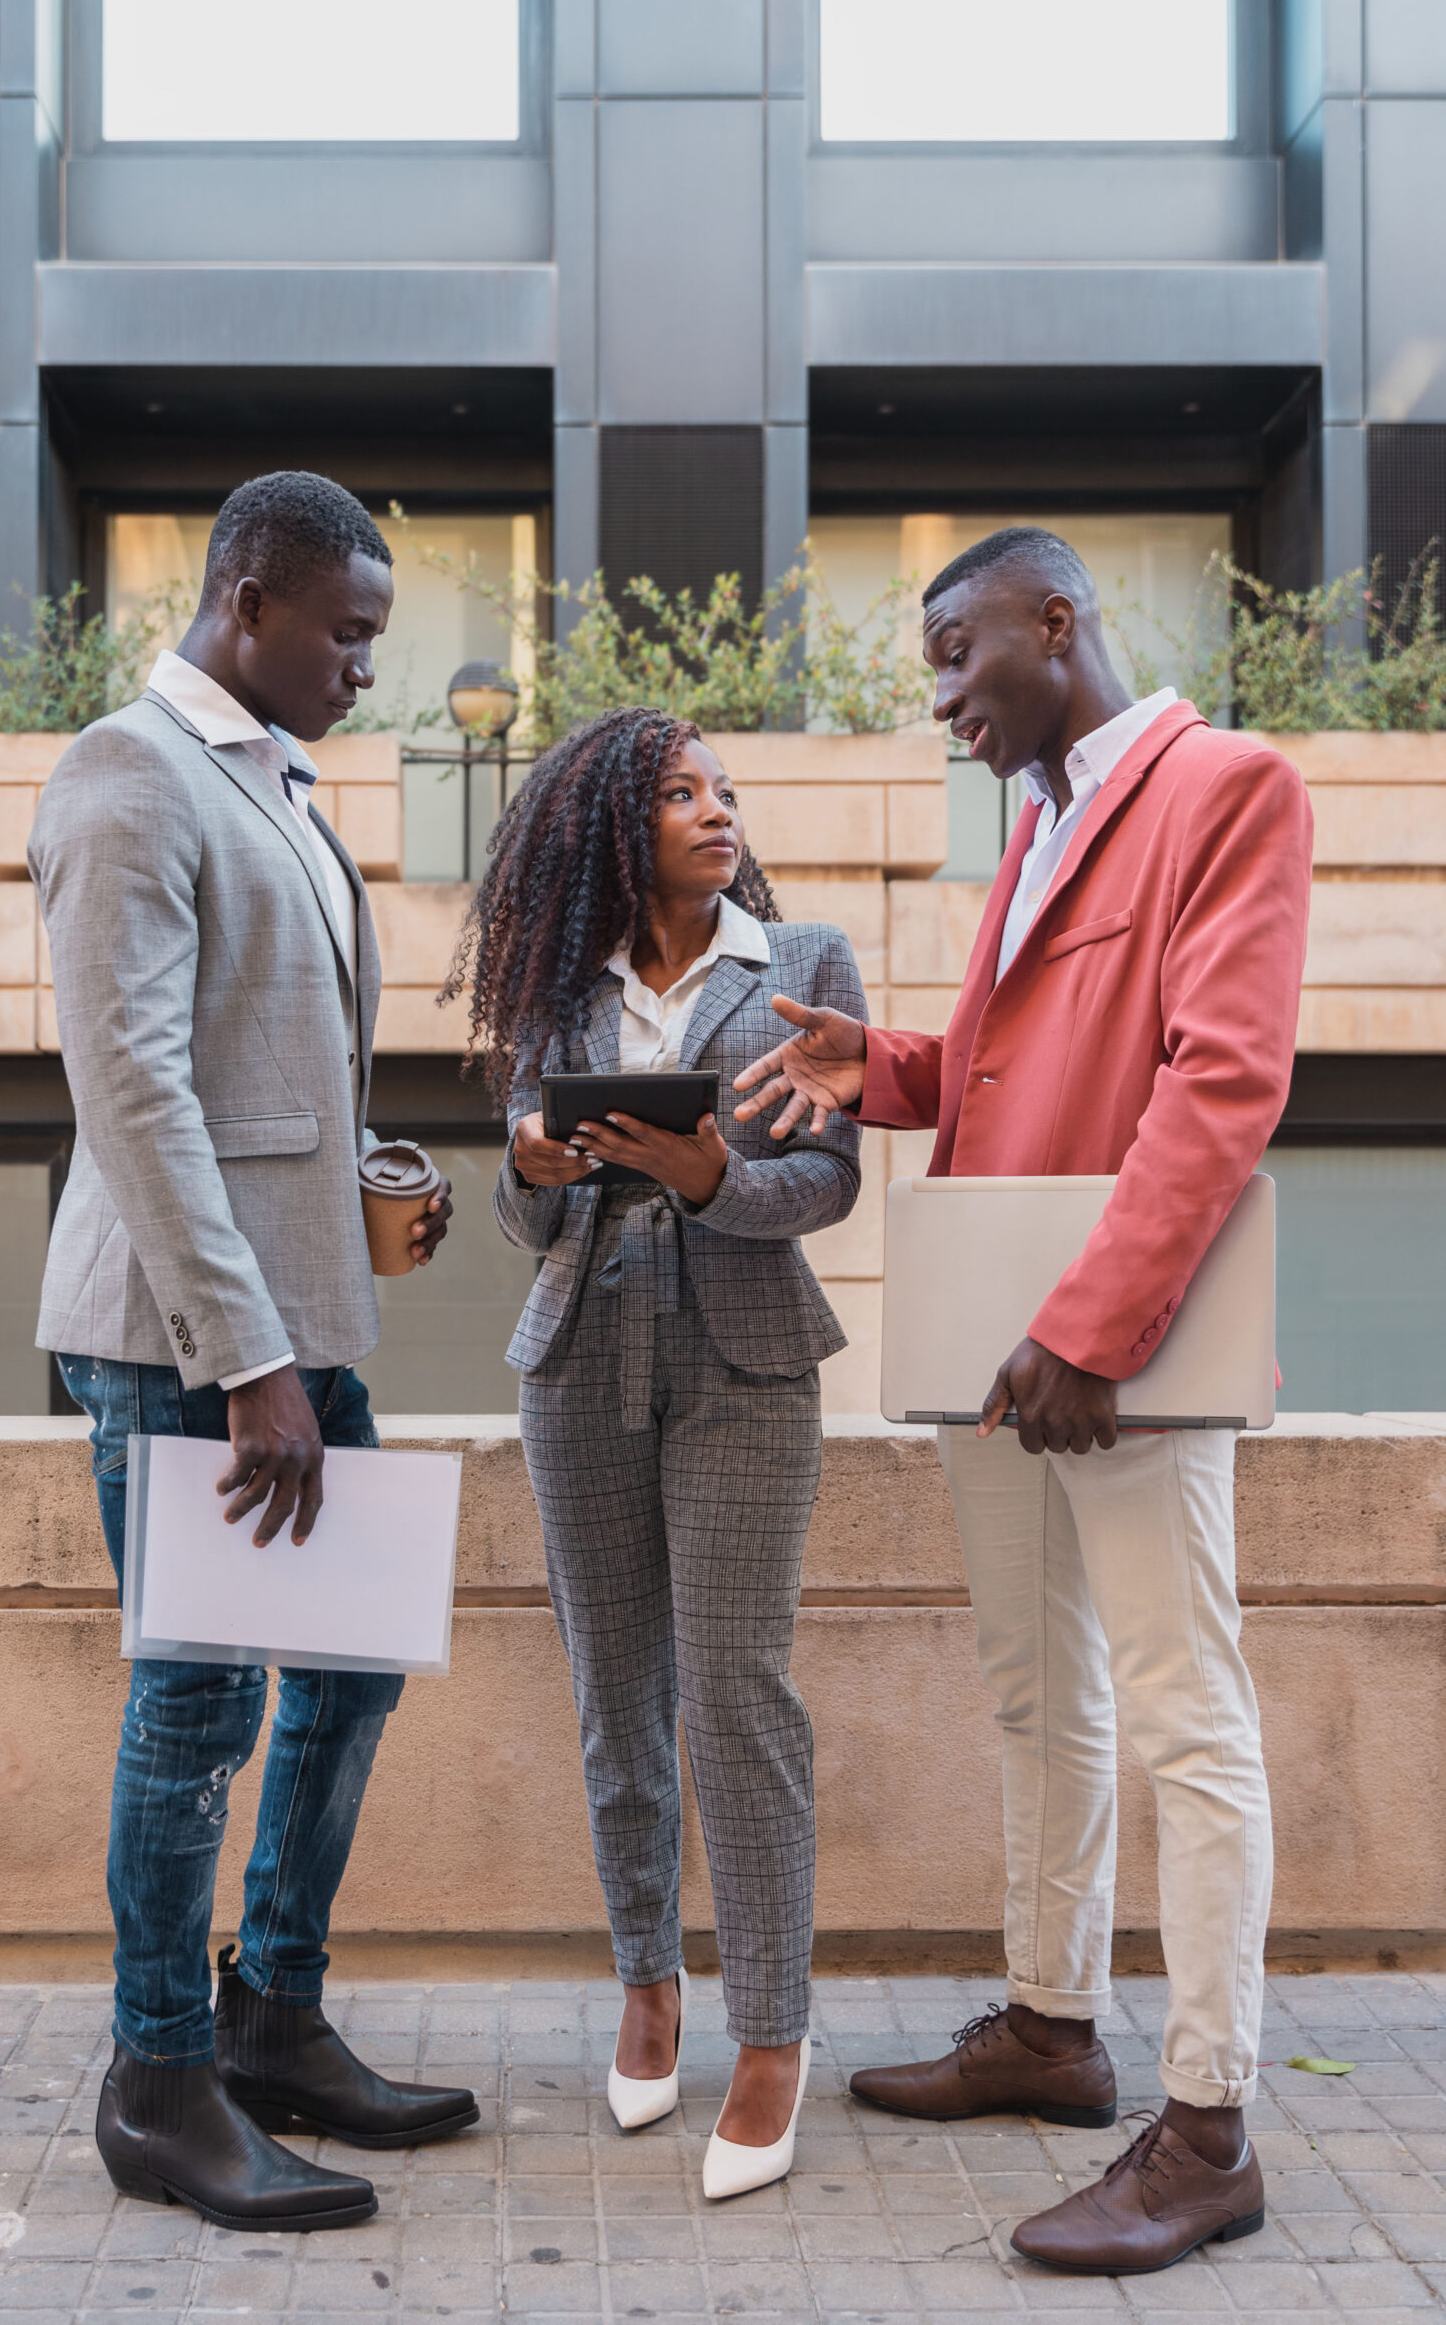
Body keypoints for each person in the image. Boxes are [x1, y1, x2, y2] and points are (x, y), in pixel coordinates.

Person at [732, 527, 1312, 2274]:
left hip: (1108, 1354)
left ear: (1057, 622)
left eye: (955, 653)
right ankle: (1051, 2032)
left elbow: (1223, 1080)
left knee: (1182, 1719)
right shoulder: (1045, 822)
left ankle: (1206, 2133)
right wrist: (881, 1066)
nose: (939, 696)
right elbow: (1029, 1068)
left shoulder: (1226, 785)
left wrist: (1097, 1328)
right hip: (1004, 1351)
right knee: (1030, 1696)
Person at [31, 471, 479, 2234]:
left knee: (353, 1669)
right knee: (200, 1706)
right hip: (188, 1342)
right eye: (347, 634)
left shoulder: (263, 776)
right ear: (246, 602)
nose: (367, 667)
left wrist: (365, 1171)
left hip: (297, 1317)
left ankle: (270, 2015)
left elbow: (254, 1068)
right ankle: (157, 2080)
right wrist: (244, 1360)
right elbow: (132, 1096)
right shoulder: (125, 773)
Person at [442, 706, 865, 2201]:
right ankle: (645, 1978)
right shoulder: (558, 994)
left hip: (746, 1357)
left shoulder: (802, 960)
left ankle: (769, 2032)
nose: (714, 809)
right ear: (610, 828)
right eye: (680, 791)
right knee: (613, 1692)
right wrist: (531, 1167)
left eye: (724, 789)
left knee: (736, 1691)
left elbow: (828, 1182)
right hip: (575, 1361)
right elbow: (522, 1212)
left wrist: (709, 1175)